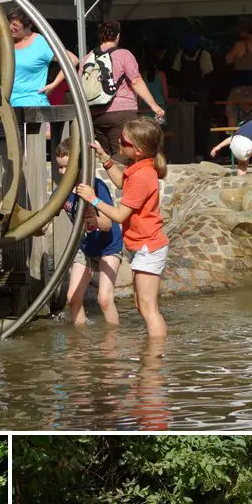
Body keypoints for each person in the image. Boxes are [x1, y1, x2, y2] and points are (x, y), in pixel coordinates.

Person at [74, 117, 169, 339]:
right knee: (141, 304)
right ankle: (154, 353)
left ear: (137, 149)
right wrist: (105, 159)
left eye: (123, 141)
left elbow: (118, 215)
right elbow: (121, 183)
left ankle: (155, 360)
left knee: (148, 308)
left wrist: (93, 199)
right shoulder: (138, 167)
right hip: (143, 245)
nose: (119, 141)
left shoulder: (142, 176)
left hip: (149, 246)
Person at [51, 139, 122, 325]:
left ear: (79, 165)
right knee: (73, 298)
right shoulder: (61, 192)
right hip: (86, 247)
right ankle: (80, 346)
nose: (62, 172)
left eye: (66, 167)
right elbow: (43, 225)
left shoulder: (96, 186)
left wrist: (93, 221)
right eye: (59, 168)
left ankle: (112, 343)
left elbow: (107, 224)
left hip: (109, 246)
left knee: (104, 300)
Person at [74, 21, 166, 162]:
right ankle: (121, 182)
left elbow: (80, 85)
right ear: (118, 36)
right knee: (123, 154)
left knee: (103, 155)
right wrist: (154, 105)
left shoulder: (88, 58)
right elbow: (135, 81)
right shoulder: (124, 55)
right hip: (120, 113)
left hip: (94, 113)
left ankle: (103, 182)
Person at [0, 8, 78, 108]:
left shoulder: (41, 43)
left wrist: (54, 85)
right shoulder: (3, 40)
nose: (10, 27)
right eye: (9, 23)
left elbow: (73, 60)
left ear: (28, 26)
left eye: (15, 25)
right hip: (4, 104)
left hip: (32, 106)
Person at [172, 33, 215, 161]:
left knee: (200, 125)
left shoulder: (204, 55)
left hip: (200, 95)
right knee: (185, 124)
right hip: (185, 96)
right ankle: (186, 153)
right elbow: (176, 75)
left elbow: (209, 76)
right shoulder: (180, 55)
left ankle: (201, 153)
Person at [224, 18, 252, 129]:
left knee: (231, 112)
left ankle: (232, 139)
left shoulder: (240, 45)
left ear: (242, 32)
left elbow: (228, 59)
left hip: (239, 87)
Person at [142, 45, 170, 115]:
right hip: (159, 106)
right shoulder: (161, 75)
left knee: (146, 125)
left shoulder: (142, 75)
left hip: (146, 106)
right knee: (158, 125)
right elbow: (165, 93)